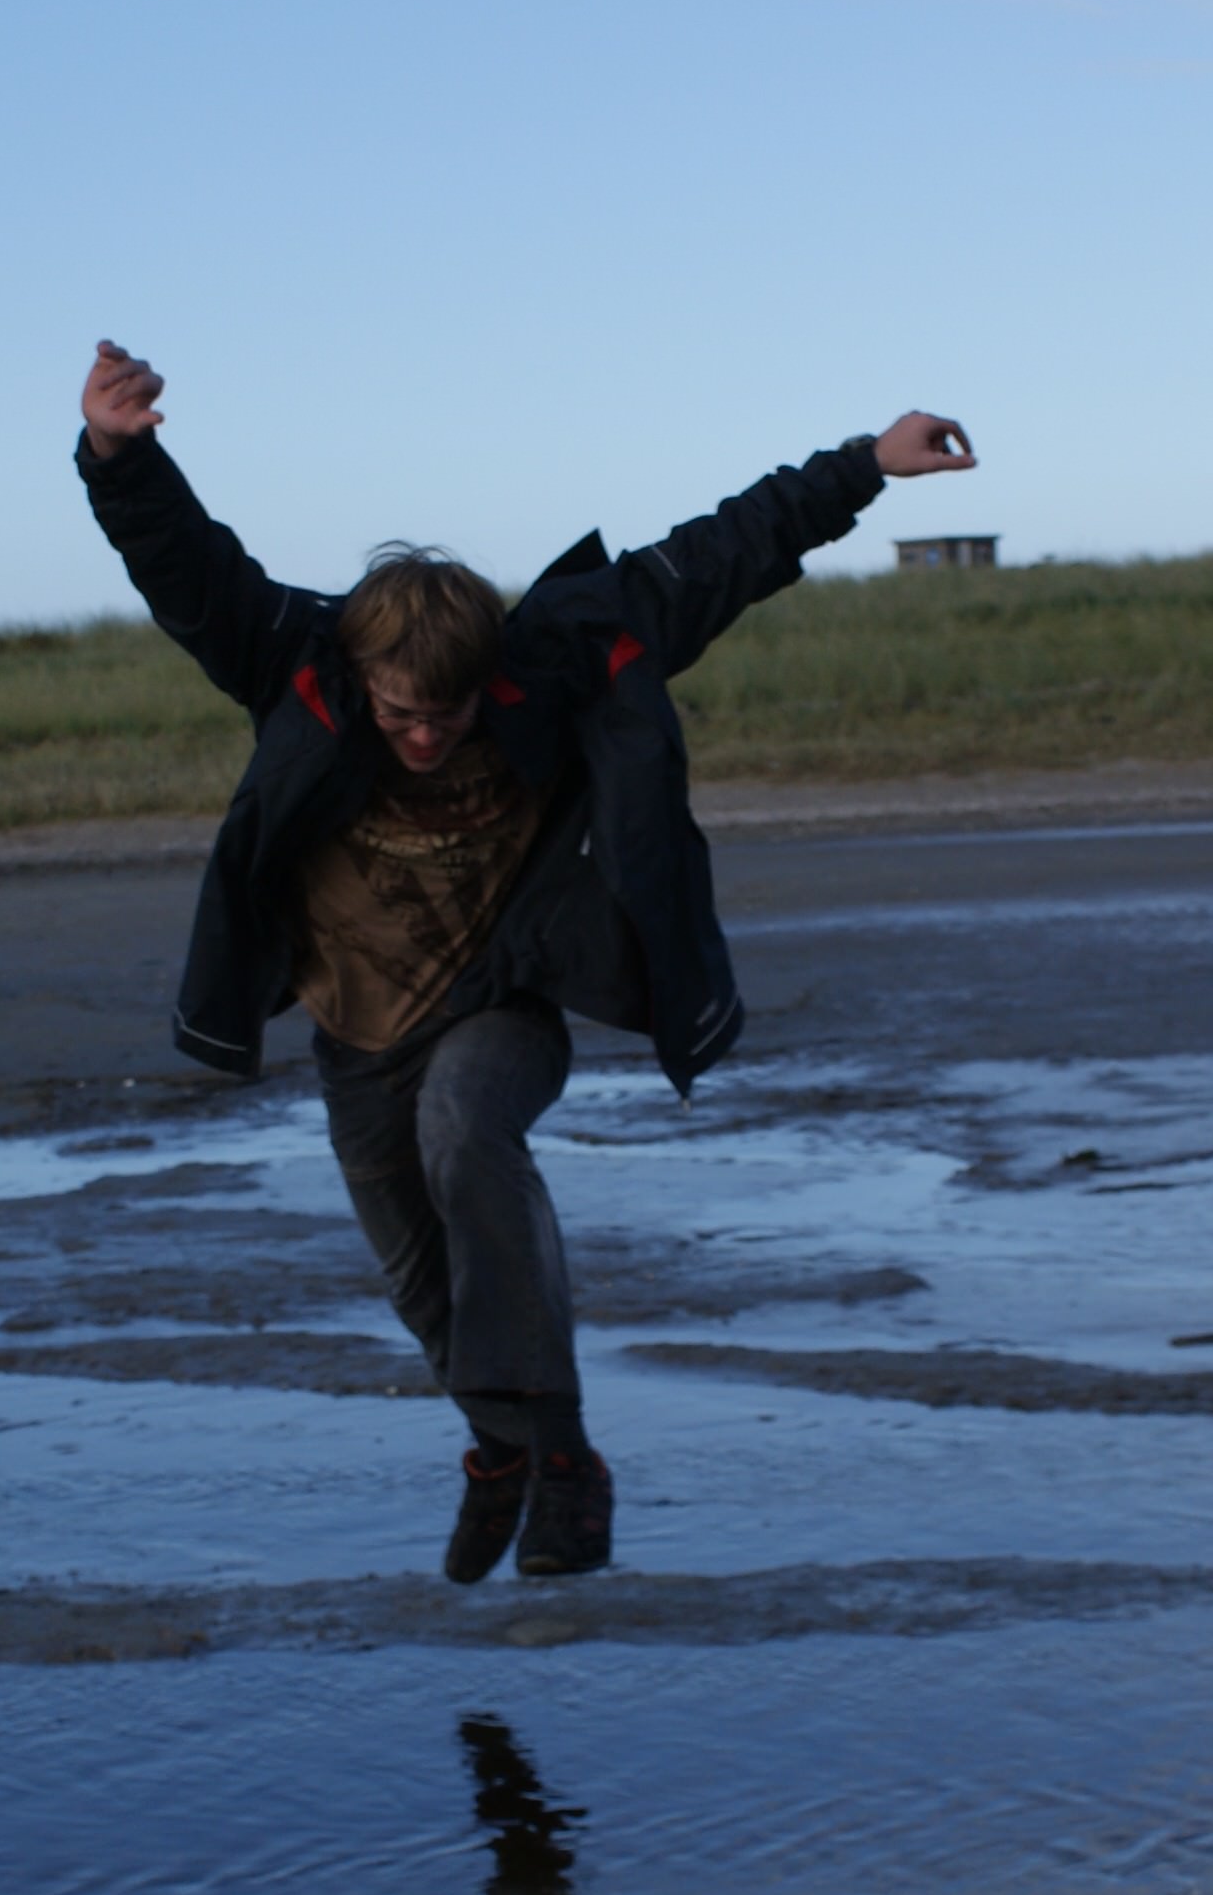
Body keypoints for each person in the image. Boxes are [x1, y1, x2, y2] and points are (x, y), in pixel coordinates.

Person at [76, 341, 975, 1584]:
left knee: (464, 1131)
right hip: (355, 1033)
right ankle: (498, 1452)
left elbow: (717, 555)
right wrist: (117, 454)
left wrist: (864, 464)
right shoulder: (296, 658)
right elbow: (182, 562)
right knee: (422, 1284)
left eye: (445, 712)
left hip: (499, 1004)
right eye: (400, 713)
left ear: (482, 677)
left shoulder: (553, 654)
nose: (423, 735)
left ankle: (563, 1465)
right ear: (363, 677)